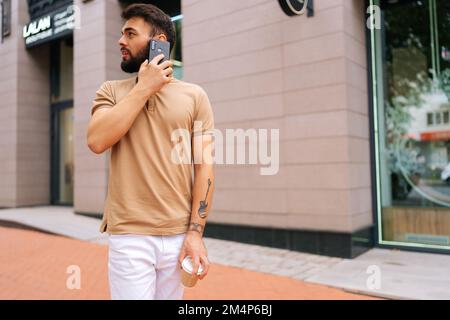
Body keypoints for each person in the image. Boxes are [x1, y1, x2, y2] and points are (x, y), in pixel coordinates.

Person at [86, 3, 215, 300]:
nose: (121, 41)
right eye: (121, 34)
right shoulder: (111, 91)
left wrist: (196, 233)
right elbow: (97, 141)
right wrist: (143, 88)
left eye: (130, 34)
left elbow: (204, 168)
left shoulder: (195, 96)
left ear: (160, 43)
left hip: (179, 233)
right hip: (130, 235)